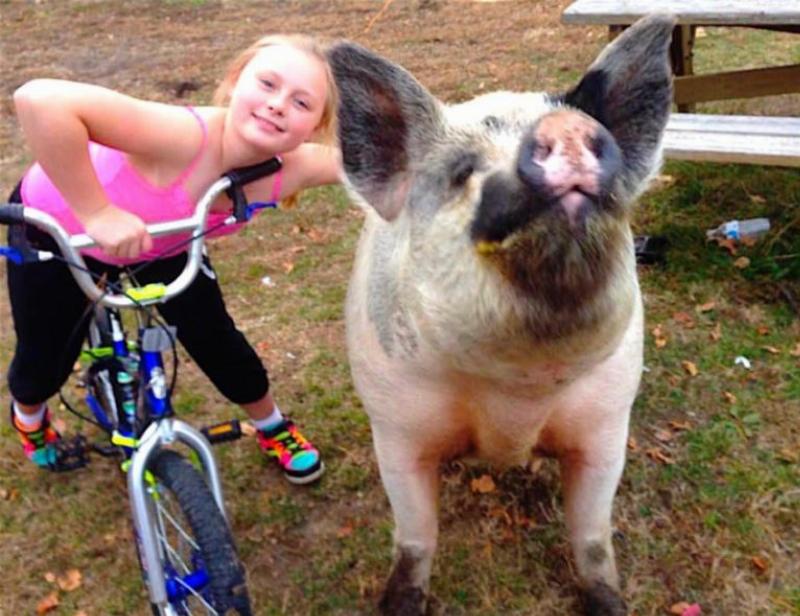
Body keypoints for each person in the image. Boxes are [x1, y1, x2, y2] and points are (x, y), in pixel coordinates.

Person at [7, 34, 341, 484]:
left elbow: (391, 160)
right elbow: (39, 99)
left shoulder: (294, 167)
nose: (278, 105)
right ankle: (29, 419)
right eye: (267, 84)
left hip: (160, 245)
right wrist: (97, 211)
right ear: (234, 82)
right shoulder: (182, 135)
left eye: (302, 103)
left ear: (317, 126)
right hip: (60, 230)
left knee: (217, 338)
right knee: (45, 359)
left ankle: (272, 426)